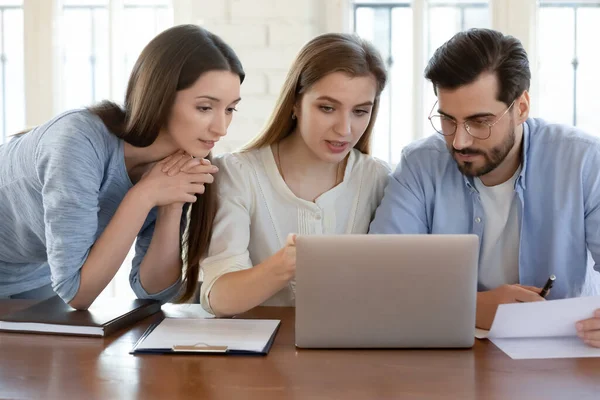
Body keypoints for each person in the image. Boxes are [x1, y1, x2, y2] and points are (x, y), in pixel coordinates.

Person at [369, 28, 600, 347]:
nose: (460, 141)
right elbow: (379, 278)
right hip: (450, 358)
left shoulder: (584, 160)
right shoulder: (421, 164)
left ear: (521, 108)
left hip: (564, 353)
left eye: (480, 122)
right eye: (448, 120)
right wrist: (475, 307)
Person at [0, 25, 244, 309]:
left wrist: (170, 206)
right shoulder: (77, 141)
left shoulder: (174, 165)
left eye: (230, 109)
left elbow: (153, 291)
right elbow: (77, 293)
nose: (221, 128)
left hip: (30, 274)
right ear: (160, 97)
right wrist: (143, 195)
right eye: (205, 108)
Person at [199, 33, 390, 317]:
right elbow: (218, 297)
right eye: (327, 108)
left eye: (360, 111)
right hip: (262, 355)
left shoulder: (379, 178)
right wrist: (284, 265)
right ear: (295, 104)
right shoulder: (239, 174)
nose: (345, 129)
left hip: (351, 354)